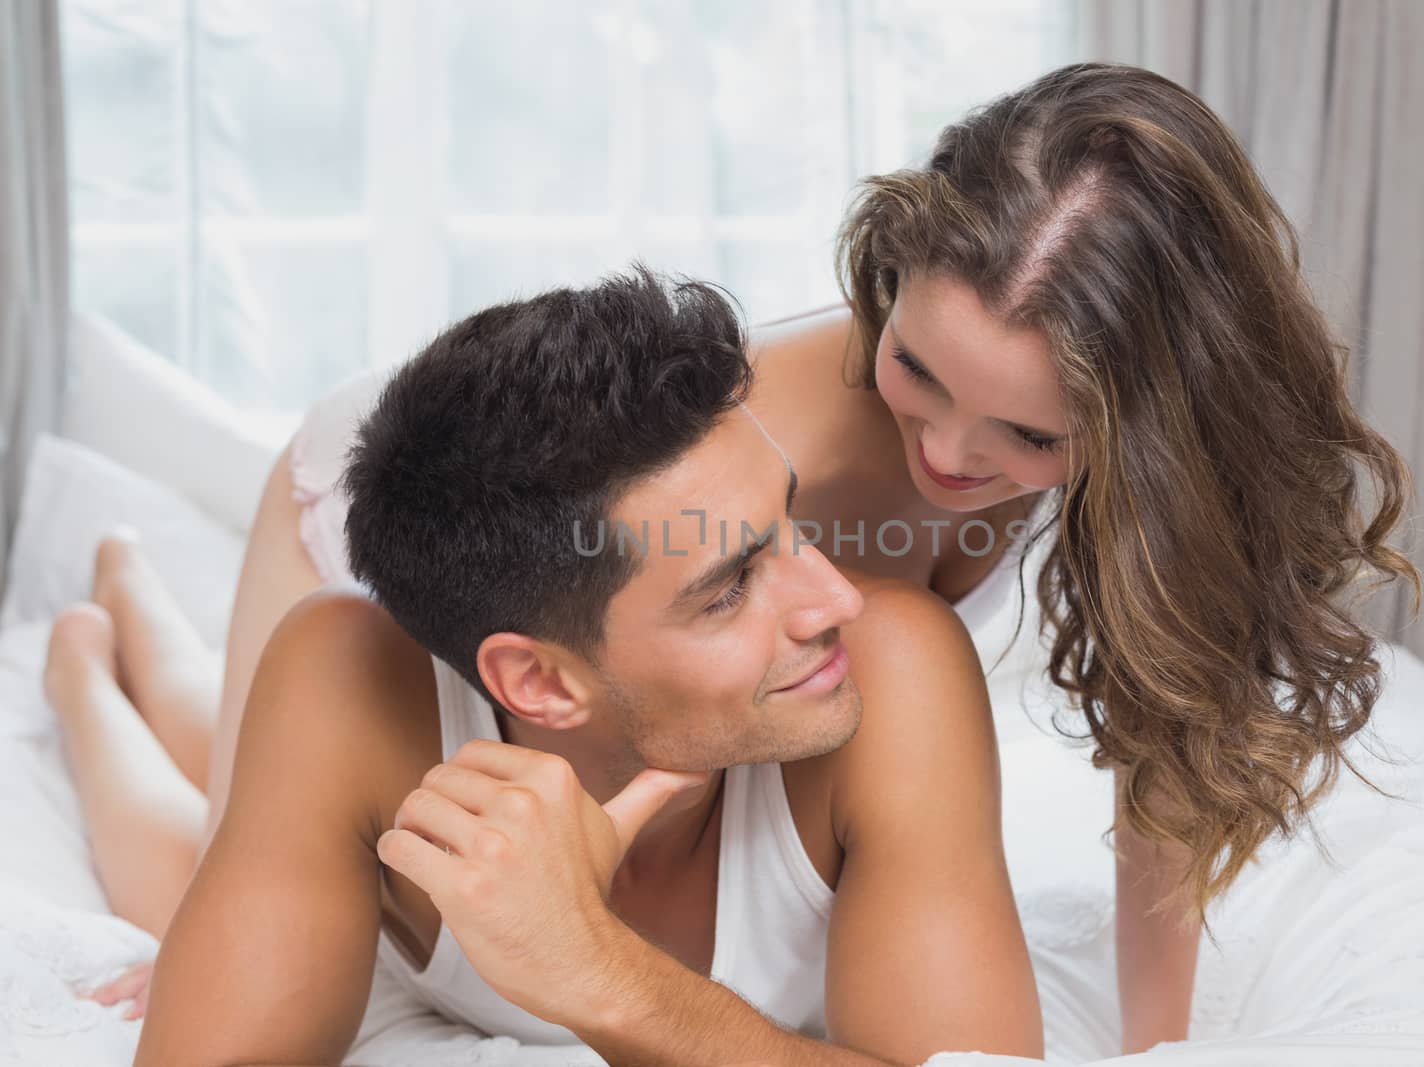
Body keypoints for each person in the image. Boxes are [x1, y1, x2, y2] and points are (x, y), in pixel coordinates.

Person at [55, 62, 1417, 1055]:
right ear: (890, 285)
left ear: (1137, 431)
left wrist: (1156, 1046)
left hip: (618, 608)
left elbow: (1165, 750)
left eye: (1024, 433)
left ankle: (129, 623)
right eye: (919, 373)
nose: (946, 453)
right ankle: (97, 644)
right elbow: (635, 569)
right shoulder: (749, 445)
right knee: (210, 859)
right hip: (437, 496)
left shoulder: (879, 608)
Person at [96, 270, 1040, 1065]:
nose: (837, 598)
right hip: (347, 614)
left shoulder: (894, 667)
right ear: (540, 684)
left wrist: (598, 971)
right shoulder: (346, 677)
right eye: (729, 586)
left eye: (789, 524)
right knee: (170, 866)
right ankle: (89, 652)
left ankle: (123, 617)